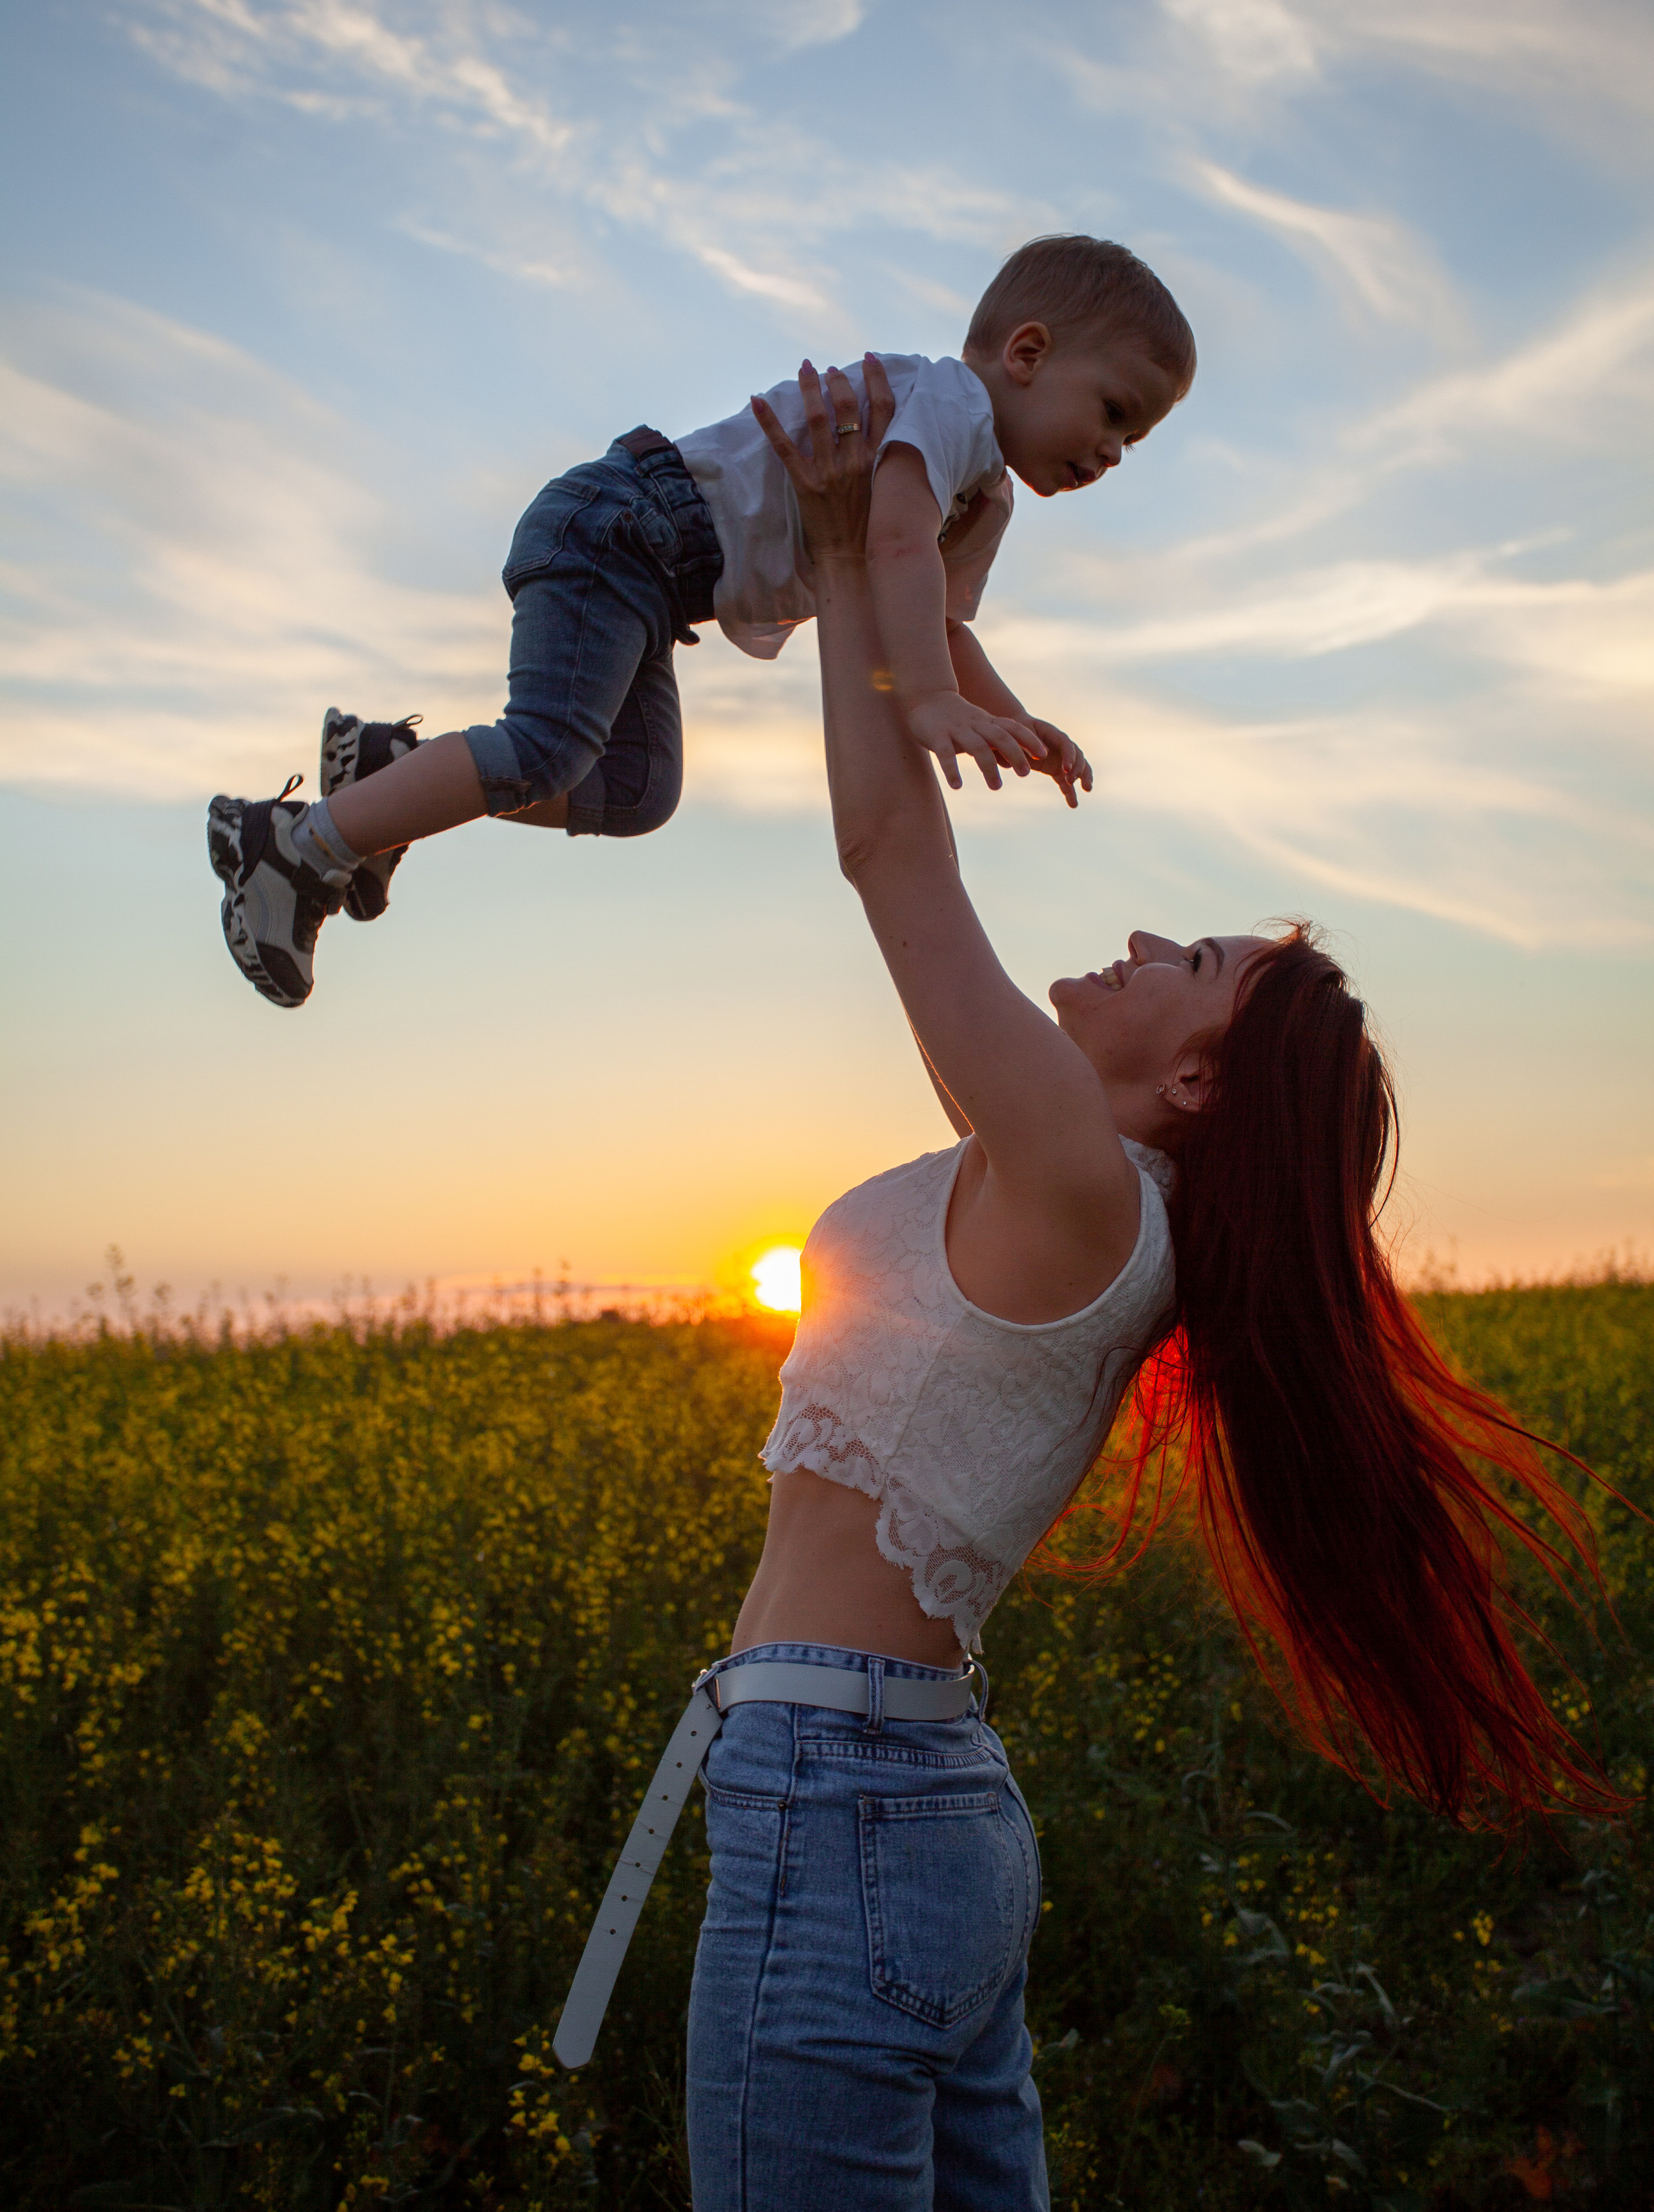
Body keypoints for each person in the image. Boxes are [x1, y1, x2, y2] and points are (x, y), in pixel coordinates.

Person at [669, 363, 1620, 2212]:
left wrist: (864, 549)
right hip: (909, 1807)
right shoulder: (1071, 1188)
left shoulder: (1083, 1184)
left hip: (844, 1804)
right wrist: (865, 580)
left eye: (1184, 956)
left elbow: (892, 853)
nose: (1131, 938)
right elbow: (883, 850)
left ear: (1196, 1078)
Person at [205, 235, 1194, 1006]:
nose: (1114, 451)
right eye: (1113, 412)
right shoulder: (950, 405)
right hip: (621, 526)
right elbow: (894, 546)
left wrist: (1014, 720)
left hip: (656, 582)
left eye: (1137, 439)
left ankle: (386, 772)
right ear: (1028, 354)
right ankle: (296, 846)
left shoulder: (986, 499)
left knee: (636, 790)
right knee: (548, 747)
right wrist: (930, 704)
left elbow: (937, 623)